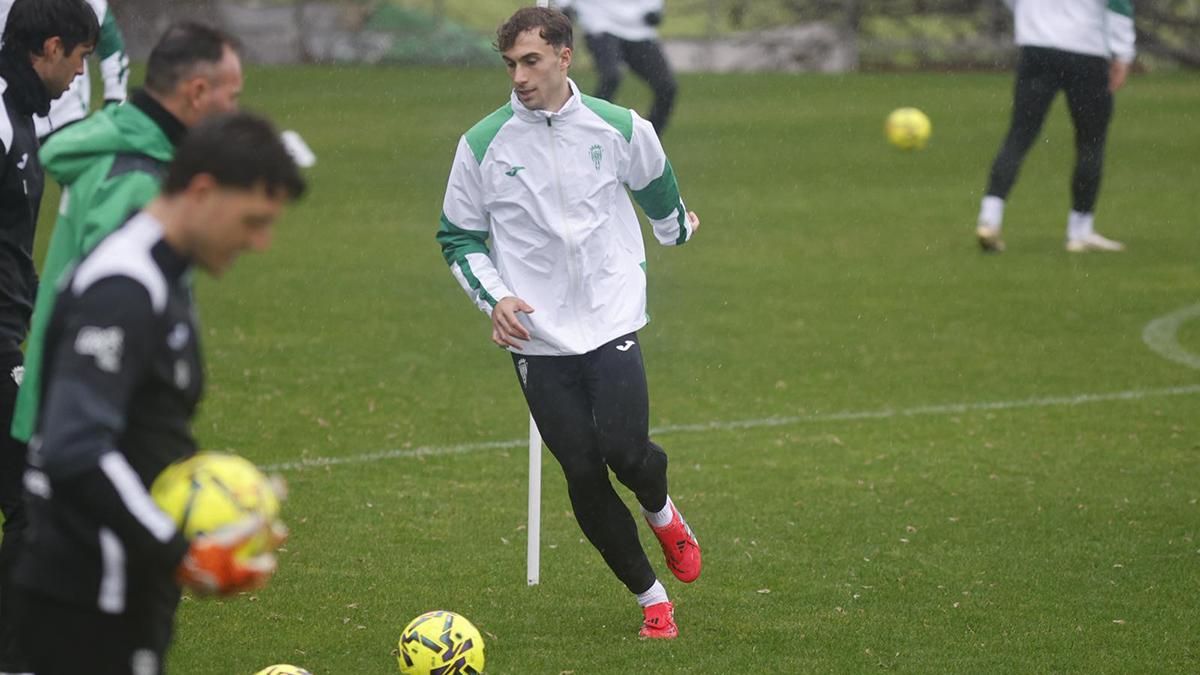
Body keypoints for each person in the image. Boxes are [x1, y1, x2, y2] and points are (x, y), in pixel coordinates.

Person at [438, 6, 701, 640]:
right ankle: (651, 600)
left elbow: (657, 185)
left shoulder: (620, 126)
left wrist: (674, 230)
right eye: (510, 64)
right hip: (538, 336)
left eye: (531, 61)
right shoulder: (482, 144)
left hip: (611, 317)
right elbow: (459, 236)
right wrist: (495, 298)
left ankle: (661, 511)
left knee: (626, 452)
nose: (520, 76)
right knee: (581, 469)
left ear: (563, 55)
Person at [12, 111, 305, 675]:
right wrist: (181, 550)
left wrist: (212, 506)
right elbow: (76, 445)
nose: (261, 243)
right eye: (253, 220)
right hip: (85, 602)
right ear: (202, 191)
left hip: (120, 592)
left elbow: (141, 429)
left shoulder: (159, 274)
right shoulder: (123, 286)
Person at [12, 20, 243, 454]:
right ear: (196, 93)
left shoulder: (119, 146)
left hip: (74, 423)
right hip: (90, 433)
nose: (233, 113)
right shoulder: (134, 178)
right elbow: (106, 317)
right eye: (231, 97)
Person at [0, 1, 98, 671]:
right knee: (36, 490)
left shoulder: (24, 115)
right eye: (81, 59)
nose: (80, 75)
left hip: (10, 332)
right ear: (51, 47)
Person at [975, 0, 1136, 253]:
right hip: (1086, 51)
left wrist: (1032, 19)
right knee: (1090, 142)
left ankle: (989, 218)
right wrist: (1123, 53)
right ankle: (1079, 231)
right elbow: (1119, 5)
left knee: (1019, 135)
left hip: (1037, 48)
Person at [0, 0, 131, 140]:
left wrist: (114, 100)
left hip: (68, 118)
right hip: (11, 107)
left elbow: (109, 39)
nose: (81, 70)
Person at [558, 0, 677, 136]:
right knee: (611, 76)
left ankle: (650, 139)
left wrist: (654, 8)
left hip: (639, 29)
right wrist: (565, 5)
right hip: (600, 23)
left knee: (667, 87)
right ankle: (590, 129)